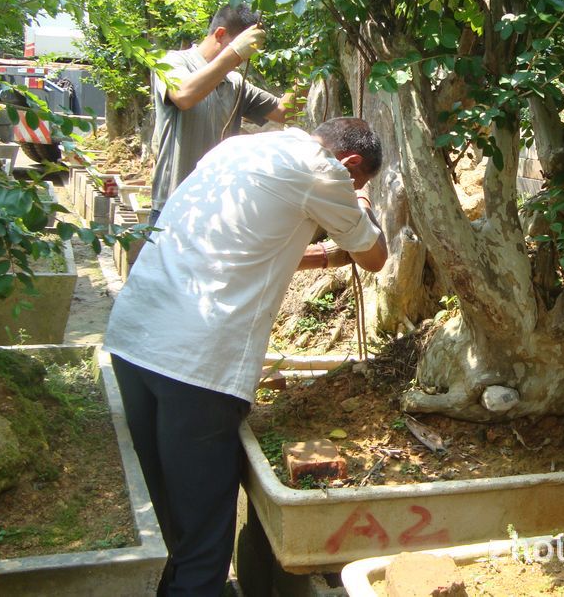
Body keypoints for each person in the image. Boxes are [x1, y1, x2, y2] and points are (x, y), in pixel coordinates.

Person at [103, 117, 387, 596]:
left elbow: (239, 246)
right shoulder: (324, 171)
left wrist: (320, 257)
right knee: (206, 540)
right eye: (356, 178)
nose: (351, 186)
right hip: (196, 363)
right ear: (350, 163)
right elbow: (375, 255)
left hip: (135, 339)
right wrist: (360, 202)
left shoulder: (238, 148)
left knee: (175, 511)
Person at [149, 2, 300, 222]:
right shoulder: (171, 61)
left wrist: (309, 72)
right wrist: (234, 53)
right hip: (172, 208)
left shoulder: (234, 82)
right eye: (245, 49)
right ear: (220, 34)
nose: (245, 58)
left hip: (217, 210)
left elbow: (283, 112)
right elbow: (184, 96)